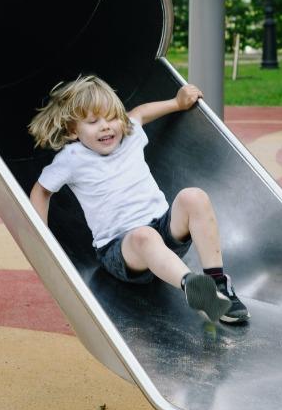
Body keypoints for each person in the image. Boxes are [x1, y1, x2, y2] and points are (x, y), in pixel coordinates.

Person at [27, 75, 249, 325]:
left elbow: (139, 113)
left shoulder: (129, 132)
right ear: (72, 131)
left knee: (193, 197)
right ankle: (194, 288)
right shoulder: (71, 158)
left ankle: (218, 282)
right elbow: (41, 191)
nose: (106, 126)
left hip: (165, 231)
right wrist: (40, 237)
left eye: (112, 117)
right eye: (93, 121)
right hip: (122, 250)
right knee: (144, 236)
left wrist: (176, 103)